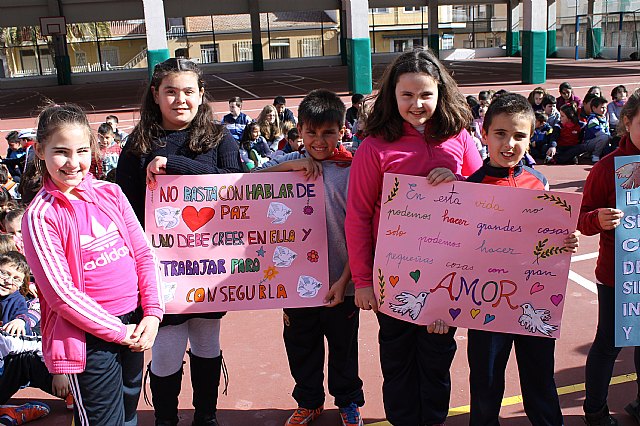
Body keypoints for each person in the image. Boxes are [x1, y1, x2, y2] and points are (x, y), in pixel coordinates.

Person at [345, 47, 483, 426]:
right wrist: (363, 281)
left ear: (441, 92)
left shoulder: (459, 139)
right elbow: (357, 216)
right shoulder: (374, 147)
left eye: (426, 94)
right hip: (392, 279)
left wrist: (459, 182)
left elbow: (484, 198)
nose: (416, 104)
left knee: (437, 357)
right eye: (406, 94)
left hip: (447, 277)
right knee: (398, 360)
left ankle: (433, 420)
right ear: (392, 95)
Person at [21, 103, 164, 426]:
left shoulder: (110, 193)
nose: (73, 163)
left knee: (129, 413)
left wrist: (153, 314)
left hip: (133, 324)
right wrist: (118, 332)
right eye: (61, 152)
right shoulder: (41, 216)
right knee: (103, 420)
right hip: (89, 339)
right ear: (40, 151)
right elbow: (61, 295)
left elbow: (144, 254)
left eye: (82, 151)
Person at [116, 58, 241, 426]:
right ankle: (166, 418)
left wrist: (175, 165)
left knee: (207, 342)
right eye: (170, 91)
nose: (180, 99)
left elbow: (236, 183)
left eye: (188, 91)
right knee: (166, 347)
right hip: (160, 267)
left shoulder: (220, 137)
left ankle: (206, 415)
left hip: (210, 264)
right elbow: (124, 205)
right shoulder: (138, 142)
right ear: (155, 95)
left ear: (201, 95)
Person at [465, 93, 579, 426]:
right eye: (500, 134)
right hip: (487, 302)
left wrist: (564, 240)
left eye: (519, 135)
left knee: (540, 377)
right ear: (484, 134)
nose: (509, 143)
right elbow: (457, 248)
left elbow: (548, 238)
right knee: (486, 382)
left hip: (534, 299)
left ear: (531, 138)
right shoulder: (470, 188)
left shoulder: (539, 182)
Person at [256, 89, 364, 426]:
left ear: (342, 131)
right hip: (295, 284)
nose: (319, 140)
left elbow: (362, 230)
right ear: (299, 129)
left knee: (344, 347)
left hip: (340, 282)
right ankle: (309, 401)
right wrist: (291, 165)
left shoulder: (352, 168)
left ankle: (348, 401)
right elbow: (246, 185)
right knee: (301, 345)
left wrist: (345, 280)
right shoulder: (284, 161)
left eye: (328, 132)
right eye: (311, 132)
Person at [578, 88, 640, 426]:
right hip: (620, 275)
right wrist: (596, 219)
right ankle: (595, 411)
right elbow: (581, 217)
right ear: (627, 121)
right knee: (609, 344)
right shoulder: (606, 169)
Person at [0, 251, 72, 425]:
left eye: (16, 278)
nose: (8, 280)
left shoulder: (16, 302)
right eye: (4, 273)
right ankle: (11, 413)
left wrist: (58, 372)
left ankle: (70, 392)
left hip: (6, 363)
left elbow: (35, 341)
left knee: (27, 359)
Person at [584, 96, 611, 163]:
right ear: (594, 108)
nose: (604, 110)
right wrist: (608, 137)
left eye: (605, 108)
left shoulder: (604, 118)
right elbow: (598, 132)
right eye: (602, 108)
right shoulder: (593, 119)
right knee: (604, 137)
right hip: (590, 143)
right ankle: (595, 155)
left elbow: (607, 130)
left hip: (602, 140)